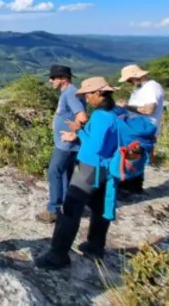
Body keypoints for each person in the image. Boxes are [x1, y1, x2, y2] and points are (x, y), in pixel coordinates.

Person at [36, 77, 123, 270]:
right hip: (108, 169)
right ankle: (95, 247)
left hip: (91, 166)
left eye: (88, 94)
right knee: (100, 207)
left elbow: (95, 146)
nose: (86, 98)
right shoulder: (116, 111)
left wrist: (79, 131)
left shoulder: (101, 116)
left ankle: (57, 256)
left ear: (99, 93)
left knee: (70, 210)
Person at [38, 65, 89, 223]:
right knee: (65, 174)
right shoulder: (69, 92)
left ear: (64, 79)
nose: (50, 80)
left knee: (54, 172)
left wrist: (74, 134)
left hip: (66, 145)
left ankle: (54, 209)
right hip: (68, 144)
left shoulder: (70, 93)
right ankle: (68, 207)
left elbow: (82, 117)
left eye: (53, 77)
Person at [116, 64, 165, 195]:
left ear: (135, 77)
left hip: (144, 124)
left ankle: (127, 185)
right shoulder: (143, 87)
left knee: (130, 151)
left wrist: (127, 107)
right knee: (136, 152)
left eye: (129, 79)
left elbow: (149, 109)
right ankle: (134, 185)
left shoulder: (151, 87)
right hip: (141, 124)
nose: (128, 82)